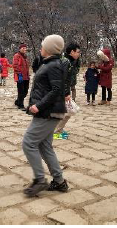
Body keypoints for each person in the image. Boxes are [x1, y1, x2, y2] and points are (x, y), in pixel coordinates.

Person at [21, 34, 68, 196]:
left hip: (48, 112)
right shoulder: (49, 63)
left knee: (28, 143)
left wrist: (38, 106)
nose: (41, 48)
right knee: (45, 146)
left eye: (43, 46)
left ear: (49, 49)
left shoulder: (53, 65)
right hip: (48, 111)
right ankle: (59, 182)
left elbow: (56, 90)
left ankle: (40, 180)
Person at [54, 43, 81, 140]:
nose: (79, 54)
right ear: (72, 52)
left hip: (61, 89)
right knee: (66, 112)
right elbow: (63, 79)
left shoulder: (68, 60)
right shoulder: (66, 62)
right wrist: (66, 93)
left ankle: (58, 130)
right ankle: (56, 132)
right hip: (60, 90)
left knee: (65, 111)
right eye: (78, 52)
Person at [13, 43, 30, 109]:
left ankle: (18, 101)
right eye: (23, 48)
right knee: (21, 91)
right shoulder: (17, 56)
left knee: (25, 91)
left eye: (25, 48)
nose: (24, 49)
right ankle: (20, 105)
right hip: (20, 76)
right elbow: (15, 65)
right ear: (20, 49)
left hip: (26, 77)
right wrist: (19, 74)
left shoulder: (25, 56)